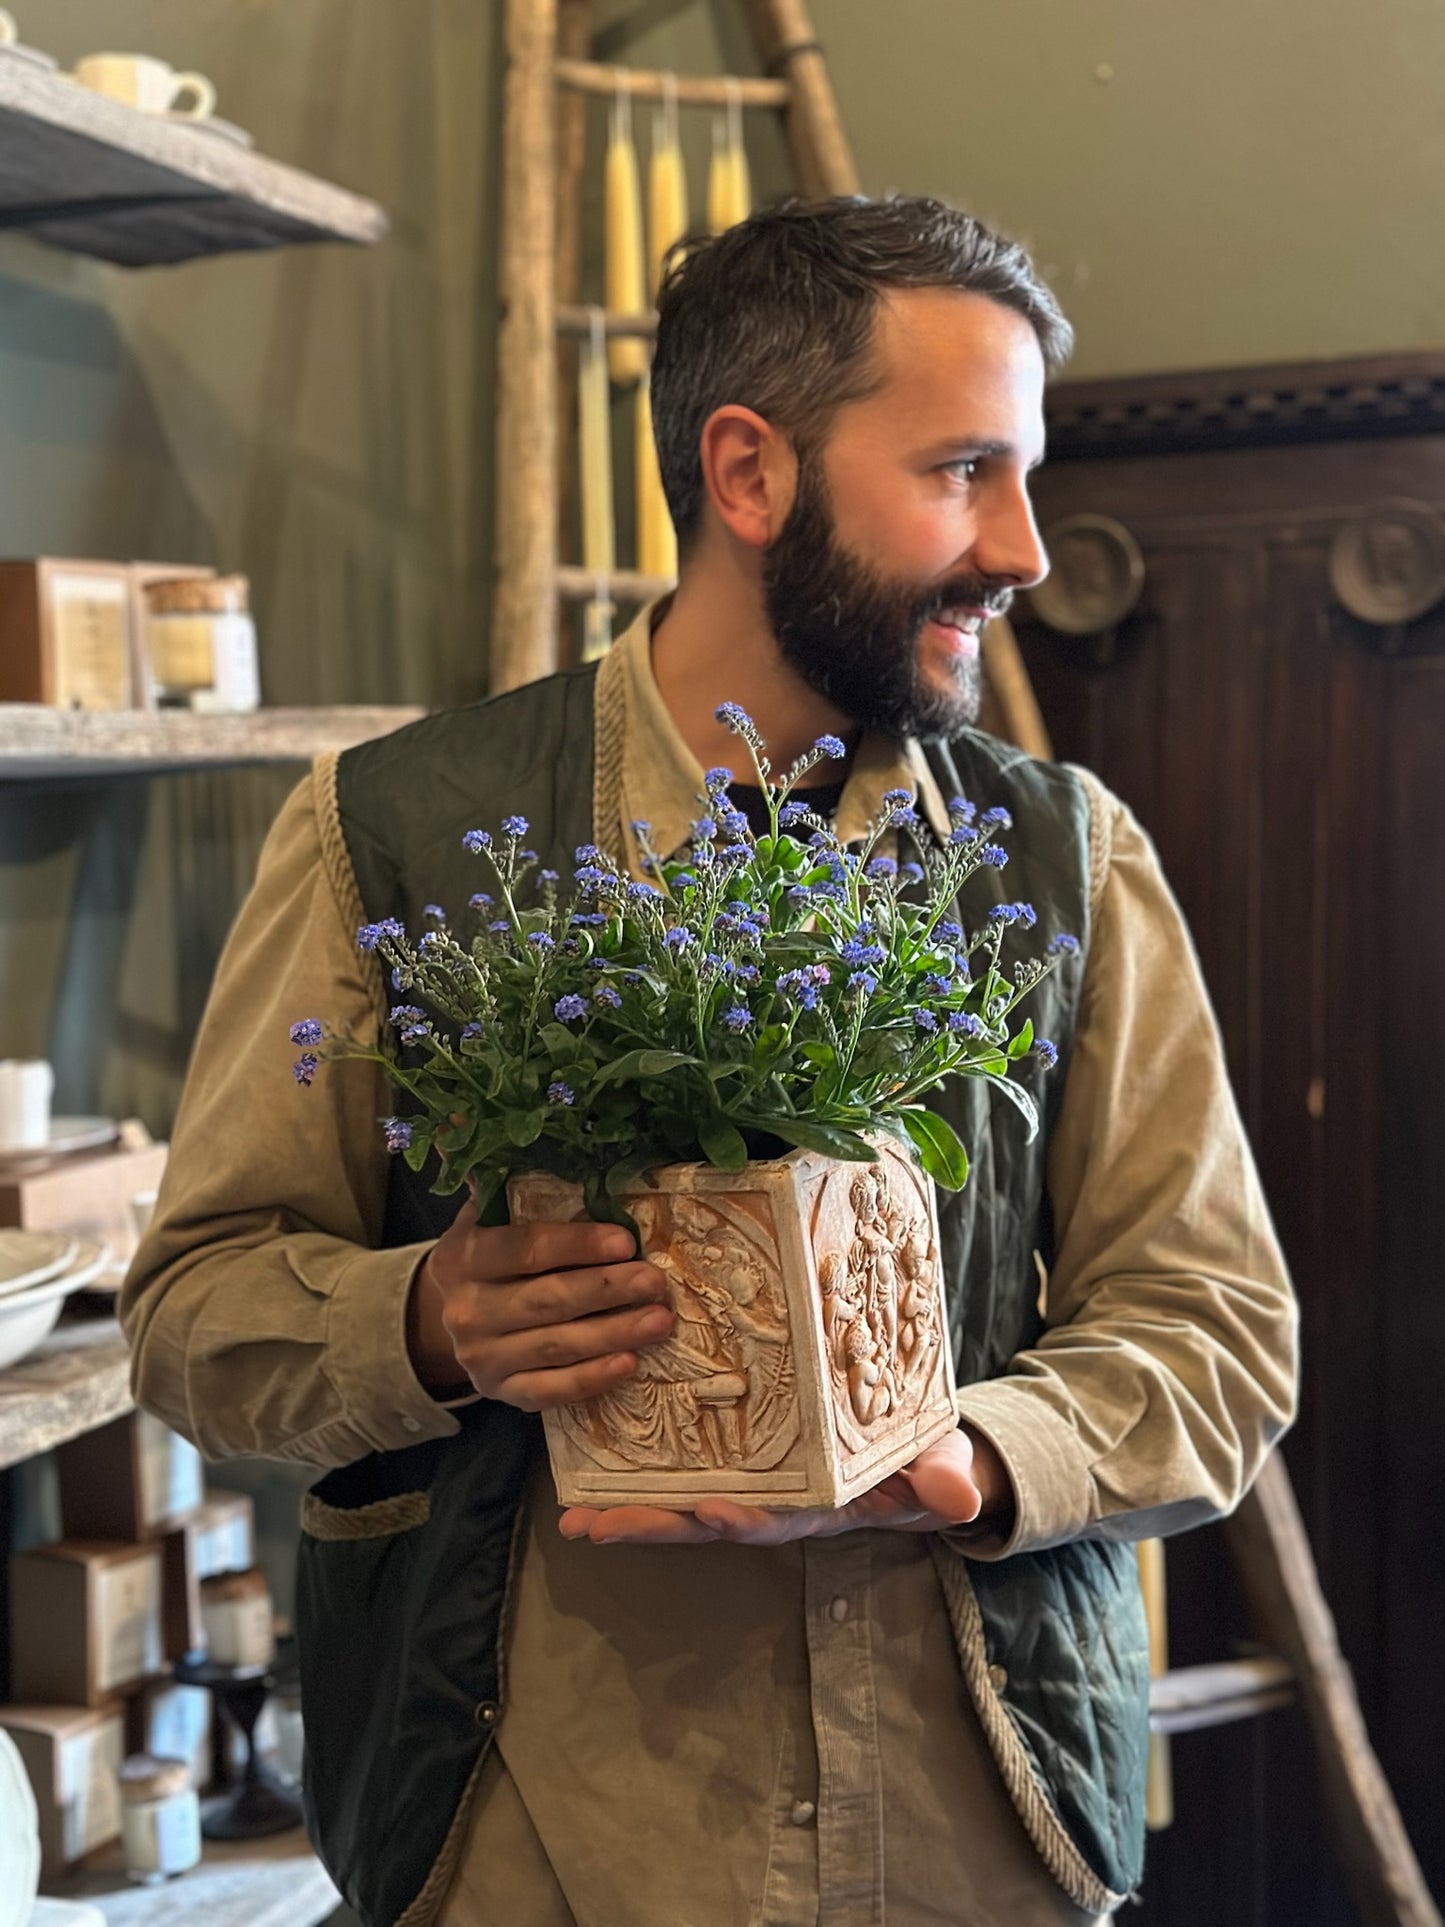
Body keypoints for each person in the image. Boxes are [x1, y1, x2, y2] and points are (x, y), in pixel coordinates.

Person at [121, 196, 1297, 1927]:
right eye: (964, 468)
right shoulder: (389, 833)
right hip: (527, 1849)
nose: (1026, 547)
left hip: (977, 1838)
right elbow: (190, 1316)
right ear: (747, 476)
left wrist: (972, 1455)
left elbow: (1218, 1332)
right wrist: (431, 1325)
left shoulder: (1068, 862)